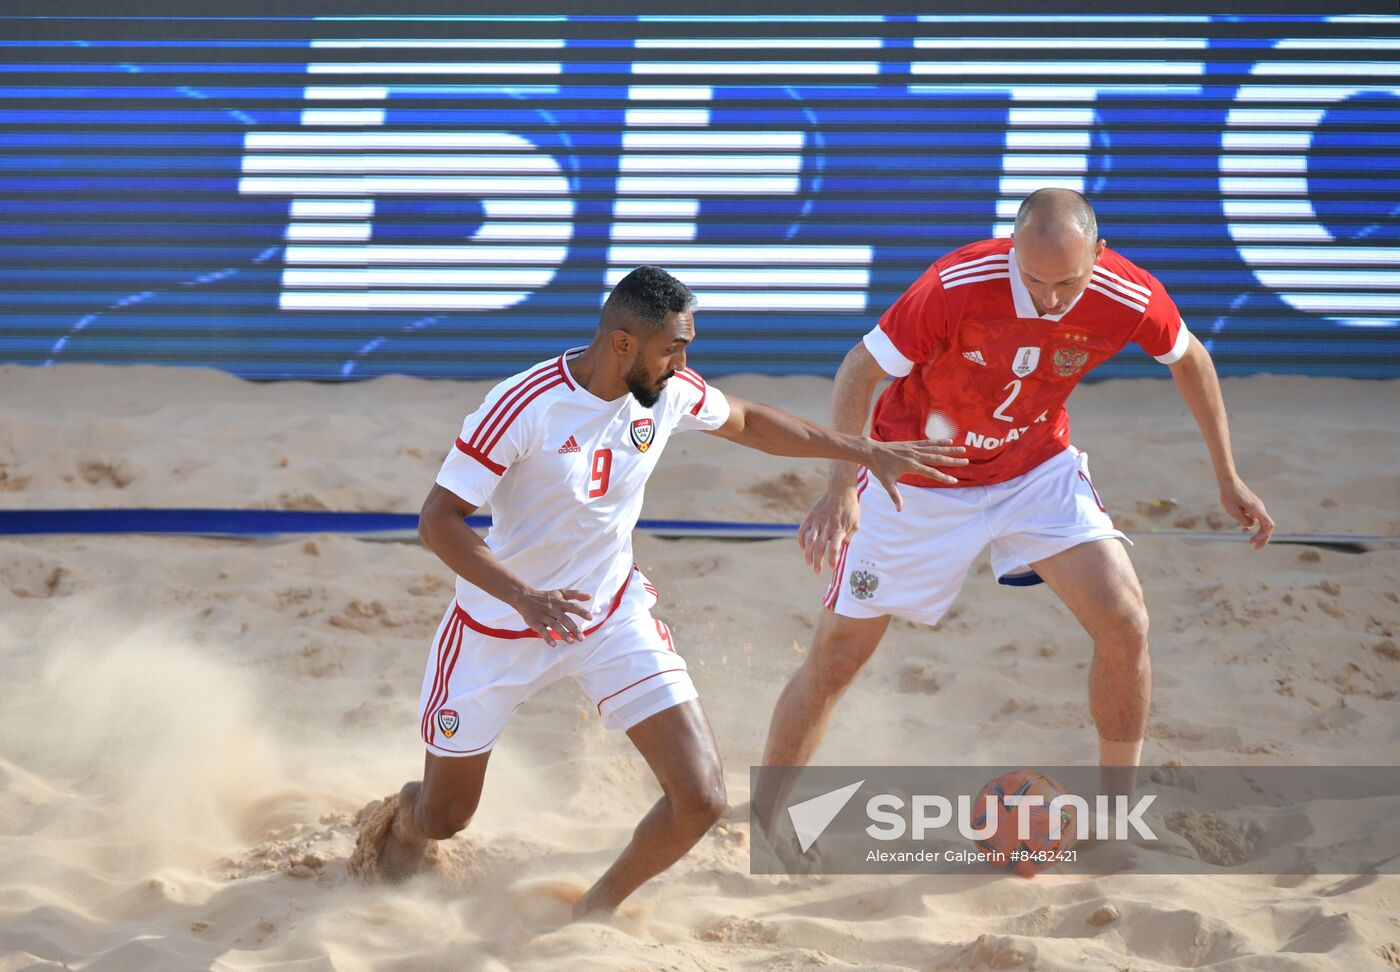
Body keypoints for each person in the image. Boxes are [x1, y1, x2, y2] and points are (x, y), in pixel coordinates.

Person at [348, 266, 967, 918]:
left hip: (608, 616)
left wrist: (860, 450)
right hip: (498, 627)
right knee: (445, 816)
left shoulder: (666, 392)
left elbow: (750, 421)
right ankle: (399, 825)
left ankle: (590, 915)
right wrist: (524, 596)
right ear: (622, 343)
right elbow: (438, 519)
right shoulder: (525, 405)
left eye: (687, 347)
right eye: (673, 348)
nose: (683, 362)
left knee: (699, 798)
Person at [754, 188, 1275, 832]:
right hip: (917, 472)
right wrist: (840, 486)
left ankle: (1116, 815)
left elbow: (1189, 357)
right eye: (1032, 278)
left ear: (1100, 256)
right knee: (838, 654)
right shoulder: (956, 283)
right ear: (1010, 249)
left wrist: (1228, 475)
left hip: (1034, 470)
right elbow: (859, 370)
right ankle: (764, 818)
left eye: (1068, 282)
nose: (1050, 298)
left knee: (1126, 625)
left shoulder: (1127, 292)